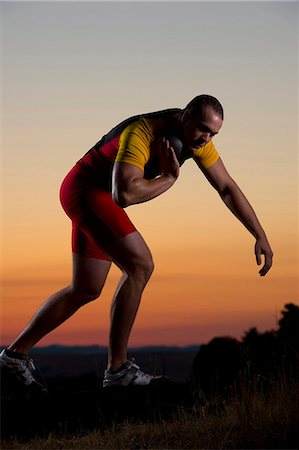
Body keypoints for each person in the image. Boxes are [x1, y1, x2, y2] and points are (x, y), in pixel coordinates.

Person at [0, 95, 273, 389]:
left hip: (95, 195)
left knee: (86, 288)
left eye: (213, 134)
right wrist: (169, 178)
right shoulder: (141, 132)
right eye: (203, 129)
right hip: (87, 191)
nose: (206, 138)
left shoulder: (197, 142)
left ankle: (13, 356)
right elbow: (124, 195)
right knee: (140, 265)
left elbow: (227, 187)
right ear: (186, 116)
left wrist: (259, 234)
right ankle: (117, 371)